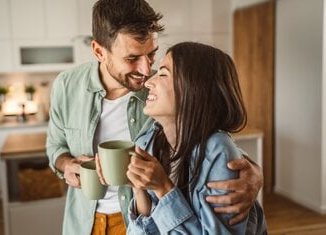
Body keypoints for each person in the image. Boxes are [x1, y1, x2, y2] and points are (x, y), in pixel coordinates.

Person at [46, 0, 263, 234]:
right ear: (100, 51)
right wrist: (65, 164)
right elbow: (55, 146)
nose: (146, 71)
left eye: (151, 55)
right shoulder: (66, 86)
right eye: (131, 59)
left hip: (138, 220)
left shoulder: (160, 95)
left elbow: (202, 137)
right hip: (84, 221)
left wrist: (253, 173)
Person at [124, 42, 267, 234]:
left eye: (163, 74)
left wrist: (164, 189)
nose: (148, 82)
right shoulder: (149, 141)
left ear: (193, 88)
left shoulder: (218, 151)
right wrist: (138, 189)